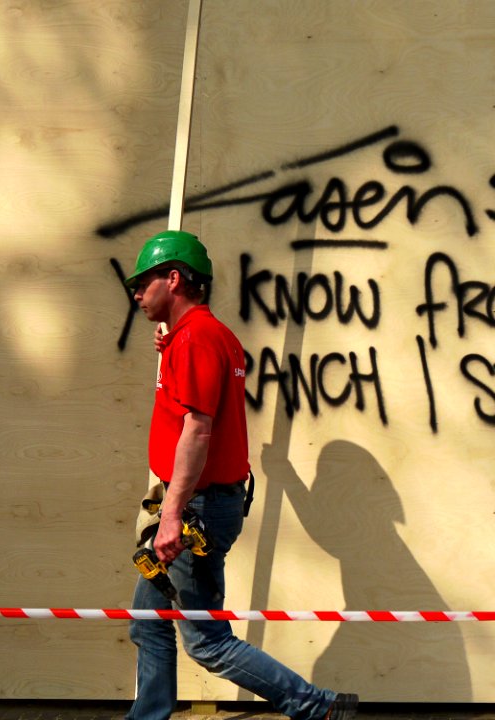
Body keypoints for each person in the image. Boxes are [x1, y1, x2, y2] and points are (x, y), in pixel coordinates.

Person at [123, 230, 358, 720]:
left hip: (196, 510)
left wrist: (170, 517)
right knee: (148, 620)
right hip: (201, 503)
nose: (137, 293)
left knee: (207, 641)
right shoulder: (205, 337)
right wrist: (169, 346)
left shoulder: (196, 340)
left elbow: (198, 431)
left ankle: (315, 707)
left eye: (144, 282)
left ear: (174, 278)